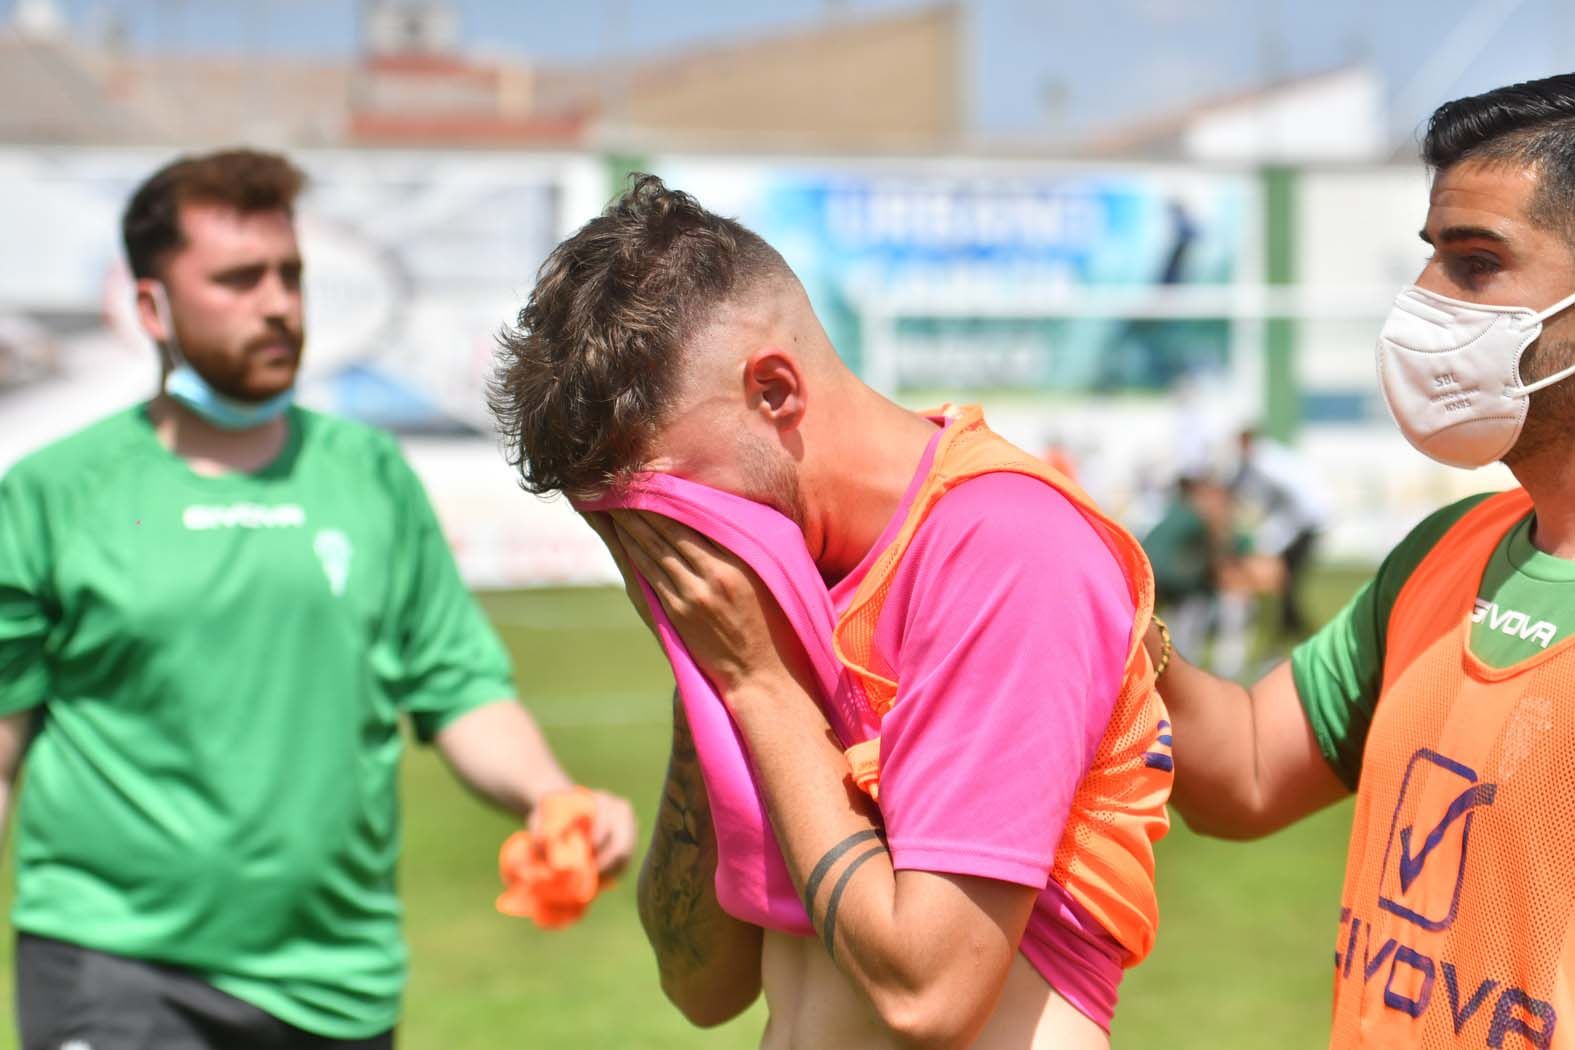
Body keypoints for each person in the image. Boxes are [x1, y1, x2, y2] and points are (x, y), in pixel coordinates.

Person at [490, 174, 1174, 1048]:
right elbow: (701, 982)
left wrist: (759, 684)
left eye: (664, 502)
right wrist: (712, 679)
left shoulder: (1003, 546)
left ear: (775, 392)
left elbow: (929, 993)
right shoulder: (772, 599)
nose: (653, 543)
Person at [0, 148, 636, 1050]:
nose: (278, 304)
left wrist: (549, 795)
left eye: (291, 275)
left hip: (336, 980)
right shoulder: (52, 493)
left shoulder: (370, 477)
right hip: (111, 961)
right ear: (150, 307)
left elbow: (457, 689)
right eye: (237, 279)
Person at [1142, 74, 1575, 1048]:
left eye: (1475, 265)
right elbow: (1249, 771)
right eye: (1430, 260)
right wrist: (1097, 608)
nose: (1421, 307)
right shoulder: (1443, 555)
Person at [1229, 425, 1330, 638]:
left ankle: (1292, 625)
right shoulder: (1271, 457)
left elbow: (1281, 495)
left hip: (1305, 524)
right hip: (1305, 522)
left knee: (1286, 577)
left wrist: (1270, 526)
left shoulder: (1265, 463)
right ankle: (1291, 624)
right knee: (1287, 578)